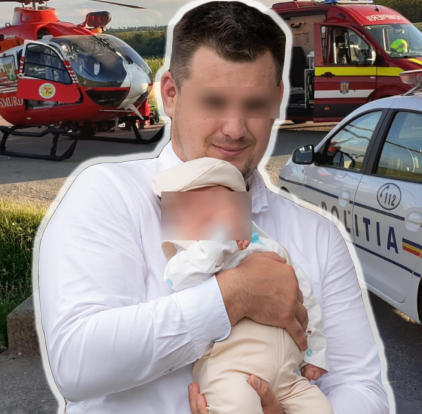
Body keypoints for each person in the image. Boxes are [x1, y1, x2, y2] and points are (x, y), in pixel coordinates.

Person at [37, 2, 390, 414]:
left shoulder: (318, 235)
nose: (235, 129)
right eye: (214, 102)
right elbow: (76, 364)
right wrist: (233, 296)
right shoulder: (109, 194)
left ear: (277, 101)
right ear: (171, 94)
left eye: (254, 105)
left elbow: (360, 386)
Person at [152, 157, 332, 414]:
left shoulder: (272, 247)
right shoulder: (191, 257)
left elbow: (304, 298)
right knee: (238, 406)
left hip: (287, 376)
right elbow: (177, 279)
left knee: (320, 408)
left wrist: (314, 352)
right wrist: (218, 243)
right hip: (230, 368)